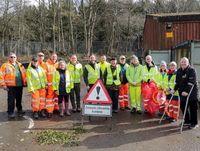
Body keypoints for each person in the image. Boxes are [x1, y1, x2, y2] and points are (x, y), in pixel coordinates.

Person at [174, 57, 198, 129]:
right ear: (180, 63)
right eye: (182, 62)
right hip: (182, 92)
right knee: (183, 106)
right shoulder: (179, 71)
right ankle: (187, 121)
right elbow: (177, 82)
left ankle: (194, 123)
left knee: (193, 108)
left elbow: (191, 82)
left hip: (192, 92)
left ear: (188, 63)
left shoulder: (192, 70)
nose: (183, 63)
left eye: (185, 62)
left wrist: (187, 92)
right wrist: (174, 89)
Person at [0, 52, 26, 119]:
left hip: (19, 85)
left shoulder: (20, 65)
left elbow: (24, 74)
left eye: (14, 57)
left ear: (16, 57)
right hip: (10, 86)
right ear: (8, 58)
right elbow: (1, 76)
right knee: (11, 100)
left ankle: (19, 110)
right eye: (11, 57)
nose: (13, 58)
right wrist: (3, 85)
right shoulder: (5, 65)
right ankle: (10, 113)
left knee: (19, 99)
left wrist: (25, 82)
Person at [45, 52, 59, 118]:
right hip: (49, 85)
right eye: (53, 56)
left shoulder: (58, 64)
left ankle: (56, 109)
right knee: (49, 98)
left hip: (57, 85)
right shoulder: (46, 64)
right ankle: (49, 111)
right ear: (50, 57)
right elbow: (44, 75)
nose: (54, 58)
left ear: (57, 58)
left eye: (55, 57)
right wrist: (46, 84)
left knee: (57, 97)